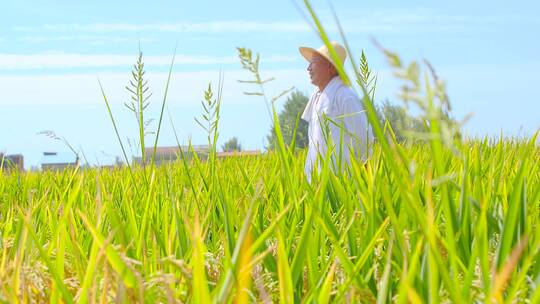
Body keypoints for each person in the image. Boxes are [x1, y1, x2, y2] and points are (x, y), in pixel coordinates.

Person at [299, 41, 373, 181]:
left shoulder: (345, 97)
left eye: (313, 62)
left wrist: (358, 176)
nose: (308, 68)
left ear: (329, 66)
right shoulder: (316, 98)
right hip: (318, 183)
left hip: (342, 182)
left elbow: (364, 139)